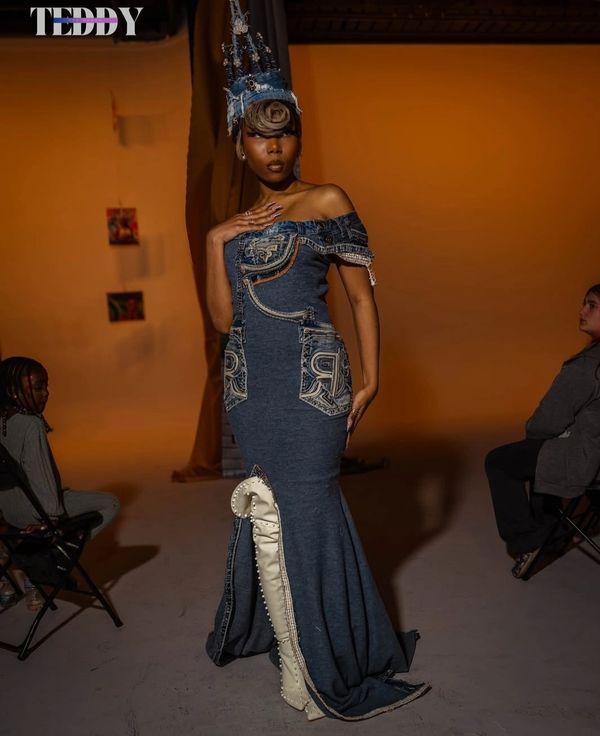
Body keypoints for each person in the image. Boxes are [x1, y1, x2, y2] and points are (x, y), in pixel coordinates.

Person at [204, 1, 428, 722]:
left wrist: (372, 377)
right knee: (269, 511)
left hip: (311, 385)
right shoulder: (232, 227)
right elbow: (222, 322)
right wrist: (215, 240)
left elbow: (361, 298)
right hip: (249, 389)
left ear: (297, 138)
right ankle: (293, 634)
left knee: (310, 509)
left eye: (285, 133)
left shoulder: (328, 200)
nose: (274, 149)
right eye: (258, 136)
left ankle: (330, 654)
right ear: (240, 145)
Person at [485, 284, 600, 578]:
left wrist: (535, 433)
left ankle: (528, 539)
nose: (582, 311)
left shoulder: (587, 367)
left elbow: (546, 422)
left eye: (592, 305)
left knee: (499, 461)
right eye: (583, 303)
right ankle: (553, 528)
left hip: (587, 460)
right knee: (540, 452)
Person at [0, 356, 120, 540]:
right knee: (111, 503)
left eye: (46, 386)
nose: (46, 393)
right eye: (38, 387)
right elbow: (40, 473)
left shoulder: (2, 420)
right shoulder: (31, 424)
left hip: (8, 512)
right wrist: (51, 518)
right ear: (12, 391)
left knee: (65, 495)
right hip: (36, 512)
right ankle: (62, 545)